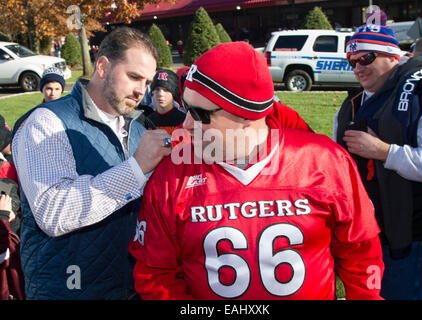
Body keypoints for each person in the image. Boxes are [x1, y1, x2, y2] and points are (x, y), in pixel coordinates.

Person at [128, 41, 384, 300]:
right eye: (186, 107)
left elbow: (360, 251)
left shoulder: (325, 162)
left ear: (246, 116)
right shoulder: (172, 174)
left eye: (199, 113)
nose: (186, 124)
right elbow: (156, 275)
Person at [11, 26, 173, 299]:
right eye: (133, 76)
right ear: (102, 66)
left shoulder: (139, 127)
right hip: (69, 290)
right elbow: (53, 212)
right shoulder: (46, 122)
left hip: (131, 286)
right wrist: (136, 168)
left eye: (146, 82)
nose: (140, 91)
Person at [333, 22, 422, 300]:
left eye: (366, 58)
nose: (358, 67)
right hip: (360, 231)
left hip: (406, 231)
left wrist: (386, 152)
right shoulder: (353, 102)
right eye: (352, 61)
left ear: (393, 56)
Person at [146, 69, 186, 134]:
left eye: (166, 90)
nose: (160, 94)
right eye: (157, 89)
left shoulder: (184, 120)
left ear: (173, 93)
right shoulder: (147, 121)